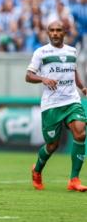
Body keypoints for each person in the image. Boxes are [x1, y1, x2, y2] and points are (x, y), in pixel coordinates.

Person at [26, 20, 87, 191]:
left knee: (80, 133)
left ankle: (74, 179)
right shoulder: (41, 52)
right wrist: (43, 78)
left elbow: (73, 70)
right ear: (48, 33)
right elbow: (29, 76)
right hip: (51, 105)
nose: (55, 33)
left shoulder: (72, 51)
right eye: (51, 30)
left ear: (64, 32)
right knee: (52, 145)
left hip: (72, 101)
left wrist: (81, 86)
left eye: (58, 30)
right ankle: (37, 170)